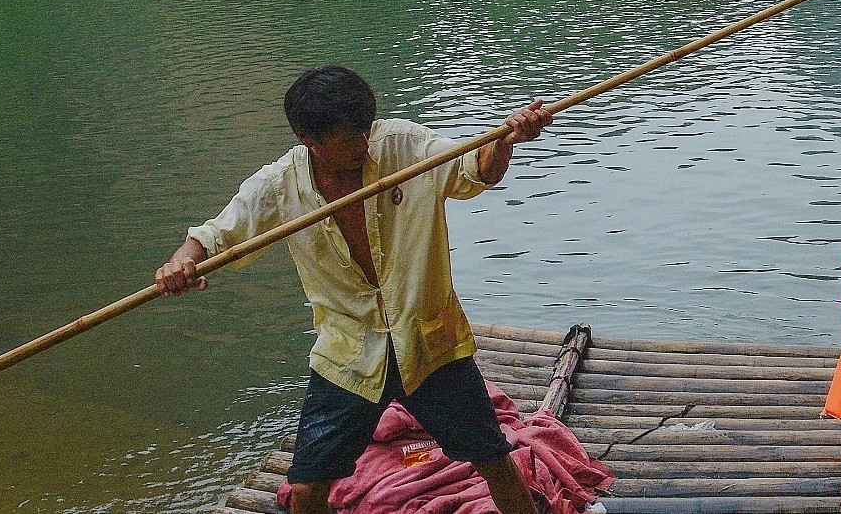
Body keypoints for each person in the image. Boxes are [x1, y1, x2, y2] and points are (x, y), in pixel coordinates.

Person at [156, 67, 550, 514]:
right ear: (310, 140)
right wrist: (181, 261)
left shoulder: (405, 146)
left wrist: (504, 142)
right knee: (305, 492)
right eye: (348, 139)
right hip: (348, 354)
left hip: (430, 343)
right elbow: (214, 236)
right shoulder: (279, 185)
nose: (363, 145)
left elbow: (471, 167)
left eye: (365, 131)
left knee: (494, 461)